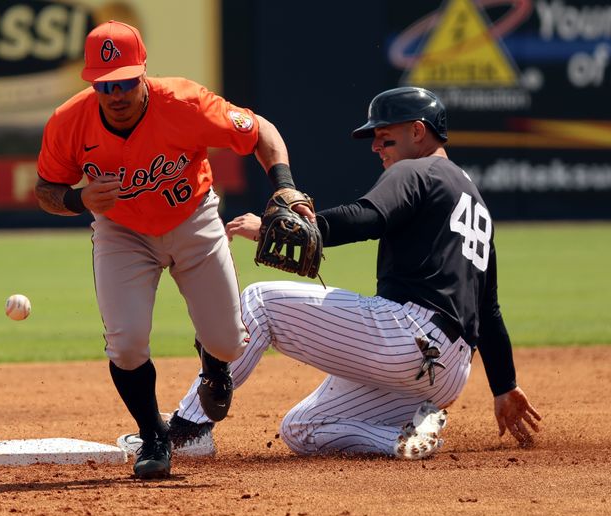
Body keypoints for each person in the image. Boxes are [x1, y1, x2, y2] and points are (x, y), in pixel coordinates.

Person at [118, 86, 542, 460]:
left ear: (418, 131)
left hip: (408, 336)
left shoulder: (419, 169)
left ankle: (189, 429)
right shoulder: (473, 200)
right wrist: (504, 386)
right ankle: (401, 435)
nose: (377, 146)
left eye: (385, 135)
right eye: (374, 140)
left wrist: (275, 228)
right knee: (301, 429)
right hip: (447, 373)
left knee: (258, 302)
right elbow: (489, 307)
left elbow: (366, 217)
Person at [34, 20, 311, 478]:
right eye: (105, 85)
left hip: (192, 219)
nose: (117, 94)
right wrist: (76, 199)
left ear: (143, 73)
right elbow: (46, 189)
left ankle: (214, 363)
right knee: (125, 345)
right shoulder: (69, 121)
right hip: (122, 232)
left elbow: (260, 131)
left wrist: (284, 186)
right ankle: (154, 436)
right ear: (92, 83)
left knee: (227, 340)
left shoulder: (185, 103)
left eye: (125, 81)